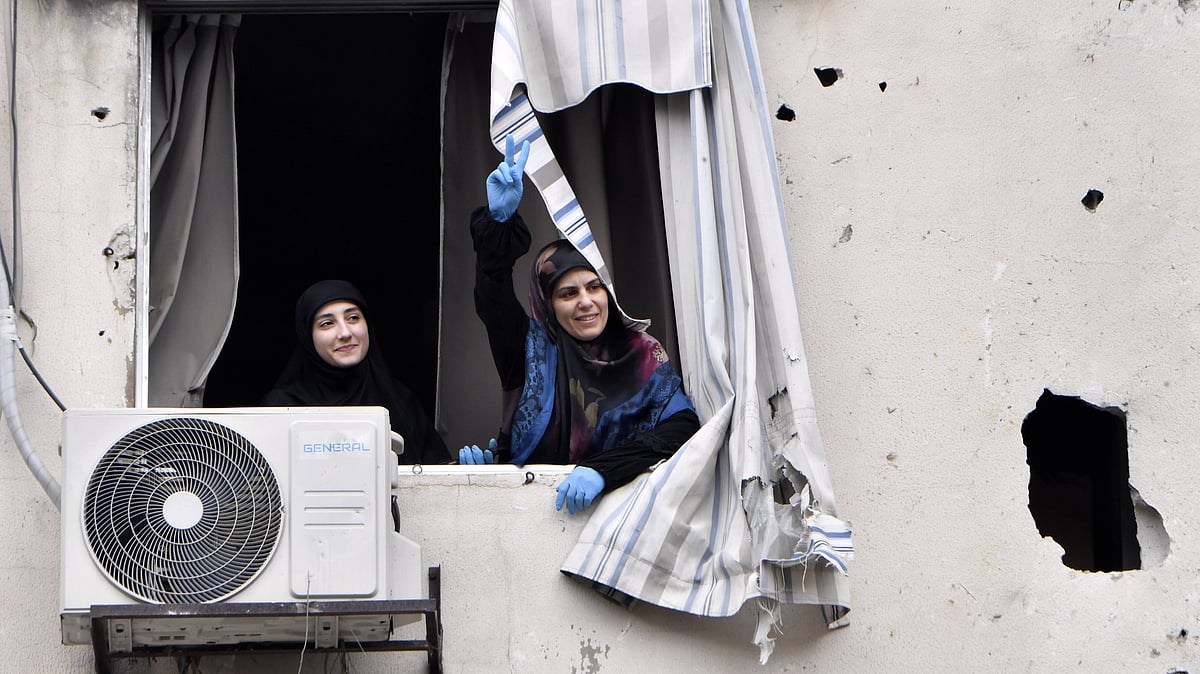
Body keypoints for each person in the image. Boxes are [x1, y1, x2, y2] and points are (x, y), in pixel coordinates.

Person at [463, 136, 700, 514]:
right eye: (568, 293)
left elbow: (682, 426)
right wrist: (498, 225)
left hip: (624, 523)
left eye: (594, 288)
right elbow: (492, 301)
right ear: (547, 305)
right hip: (533, 519)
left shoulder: (642, 353)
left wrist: (603, 471)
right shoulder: (528, 351)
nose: (586, 302)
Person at [263, 279, 451, 465]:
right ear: (307, 336)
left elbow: (436, 478)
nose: (344, 333)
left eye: (353, 318)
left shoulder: (400, 401)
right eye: (327, 323)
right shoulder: (282, 409)